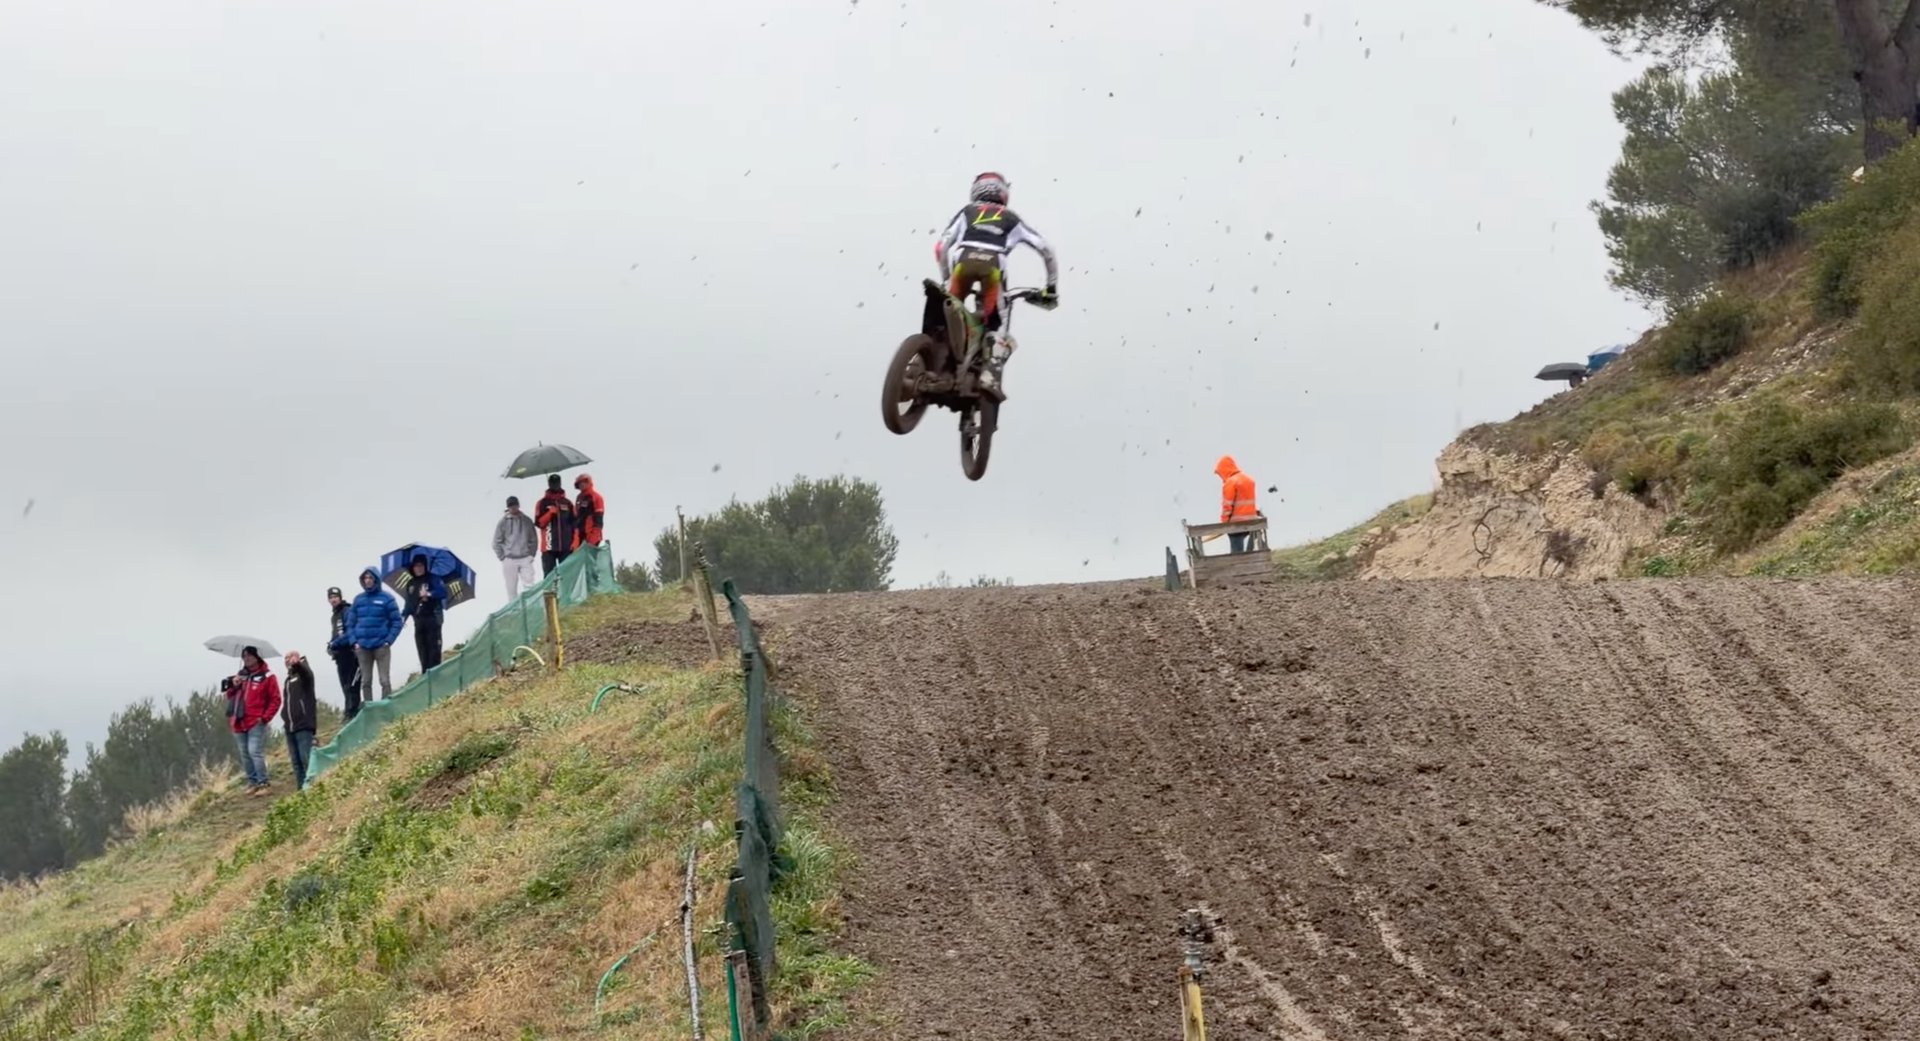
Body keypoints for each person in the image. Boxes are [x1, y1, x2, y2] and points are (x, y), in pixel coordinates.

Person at [933, 171, 1060, 396]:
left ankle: (937, 356)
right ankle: (989, 375)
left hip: (961, 264)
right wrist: (1050, 288)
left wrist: (945, 278)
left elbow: (941, 247)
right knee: (998, 323)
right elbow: (1046, 249)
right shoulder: (1011, 218)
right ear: (1003, 193)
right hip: (992, 267)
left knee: (949, 309)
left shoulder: (967, 212)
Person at [347, 567, 404, 703]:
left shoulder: (387, 598)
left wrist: (388, 640)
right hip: (362, 647)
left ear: (376, 579)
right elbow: (350, 624)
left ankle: (386, 707)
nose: (367, 580)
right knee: (366, 681)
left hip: (381, 646)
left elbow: (397, 621)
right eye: (365, 578)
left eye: (370, 578)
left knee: (384, 680)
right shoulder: (358, 599)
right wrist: (354, 642)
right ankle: (369, 707)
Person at [231, 646, 282, 795]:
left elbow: (276, 700)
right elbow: (229, 696)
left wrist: (265, 718)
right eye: (244, 656)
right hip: (239, 721)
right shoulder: (241, 676)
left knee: (254, 751)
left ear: (257, 657)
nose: (246, 658)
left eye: (249, 655)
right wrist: (233, 686)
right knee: (244, 754)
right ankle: (252, 782)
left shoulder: (268, 676)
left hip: (256, 721)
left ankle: (263, 783)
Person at [401, 554, 449, 671]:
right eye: (416, 566)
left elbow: (443, 592)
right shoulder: (410, 583)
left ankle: (435, 676)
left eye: (421, 565)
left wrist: (429, 594)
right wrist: (403, 617)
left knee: (434, 654)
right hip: (418, 622)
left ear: (425, 566)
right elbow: (408, 603)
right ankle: (425, 674)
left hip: (433, 620)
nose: (418, 568)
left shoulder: (433, 578)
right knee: (423, 654)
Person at [280, 650, 318, 791]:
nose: (287, 660)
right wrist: (284, 715)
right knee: (296, 763)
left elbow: (306, 673)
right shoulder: (288, 680)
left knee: (306, 759)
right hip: (290, 727)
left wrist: (298, 664)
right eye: (285, 658)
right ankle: (301, 791)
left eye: (290, 657)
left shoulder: (304, 674)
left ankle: (313, 787)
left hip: (303, 725)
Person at [325, 586, 361, 721]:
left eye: (335, 597)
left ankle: (353, 712)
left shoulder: (347, 610)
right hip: (340, 656)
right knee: (345, 685)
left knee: (352, 685)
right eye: (331, 597)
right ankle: (348, 713)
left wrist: (335, 643)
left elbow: (350, 632)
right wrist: (331, 645)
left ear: (340, 597)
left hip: (351, 653)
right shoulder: (334, 616)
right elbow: (336, 635)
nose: (333, 599)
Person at [494, 495, 540, 599]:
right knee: (511, 588)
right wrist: (502, 557)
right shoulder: (503, 522)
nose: (513, 508)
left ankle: (530, 606)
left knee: (529, 585)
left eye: (514, 505)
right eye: (511, 506)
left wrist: (531, 554)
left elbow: (533, 539)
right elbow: (496, 542)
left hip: (525, 558)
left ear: (518, 505)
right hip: (509, 559)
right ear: (508, 507)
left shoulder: (527, 520)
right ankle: (513, 608)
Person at [1215, 455, 1260, 553]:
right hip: (1252, 522)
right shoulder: (1248, 480)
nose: (1221, 476)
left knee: (1237, 554)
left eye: (1220, 473)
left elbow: (1227, 506)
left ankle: (1240, 562)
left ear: (1224, 470)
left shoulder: (1230, 483)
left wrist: (1224, 523)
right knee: (1249, 552)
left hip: (1236, 525)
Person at [536, 475, 579, 575]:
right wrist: (550, 513)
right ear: (549, 484)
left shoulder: (568, 503)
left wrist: (575, 541)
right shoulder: (542, 503)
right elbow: (539, 523)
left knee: (567, 575)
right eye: (553, 482)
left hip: (566, 546)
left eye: (557, 482)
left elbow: (575, 524)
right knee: (549, 577)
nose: (555, 485)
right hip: (549, 547)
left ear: (560, 483)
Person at [573, 473, 606, 550]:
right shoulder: (579, 498)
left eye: (584, 482)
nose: (582, 484)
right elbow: (577, 517)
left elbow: (598, 522)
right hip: (580, 537)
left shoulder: (596, 497)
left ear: (589, 482)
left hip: (592, 537)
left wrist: (593, 539)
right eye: (580, 483)